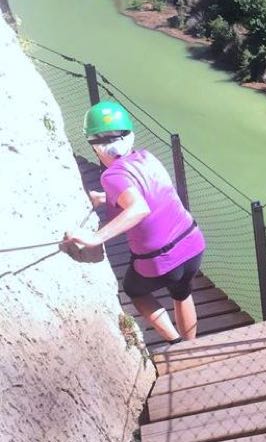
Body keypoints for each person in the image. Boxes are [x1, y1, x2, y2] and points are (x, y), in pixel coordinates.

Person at [64, 100, 205, 344]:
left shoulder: (111, 175)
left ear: (95, 146)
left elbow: (138, 207)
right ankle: (192, 347)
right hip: (193, 244)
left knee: (135, 290)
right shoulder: (147, 158)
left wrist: (95, 237)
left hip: (160, 260)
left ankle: (176, 343)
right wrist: (103, 197)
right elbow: (147, 192)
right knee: (181, 292)